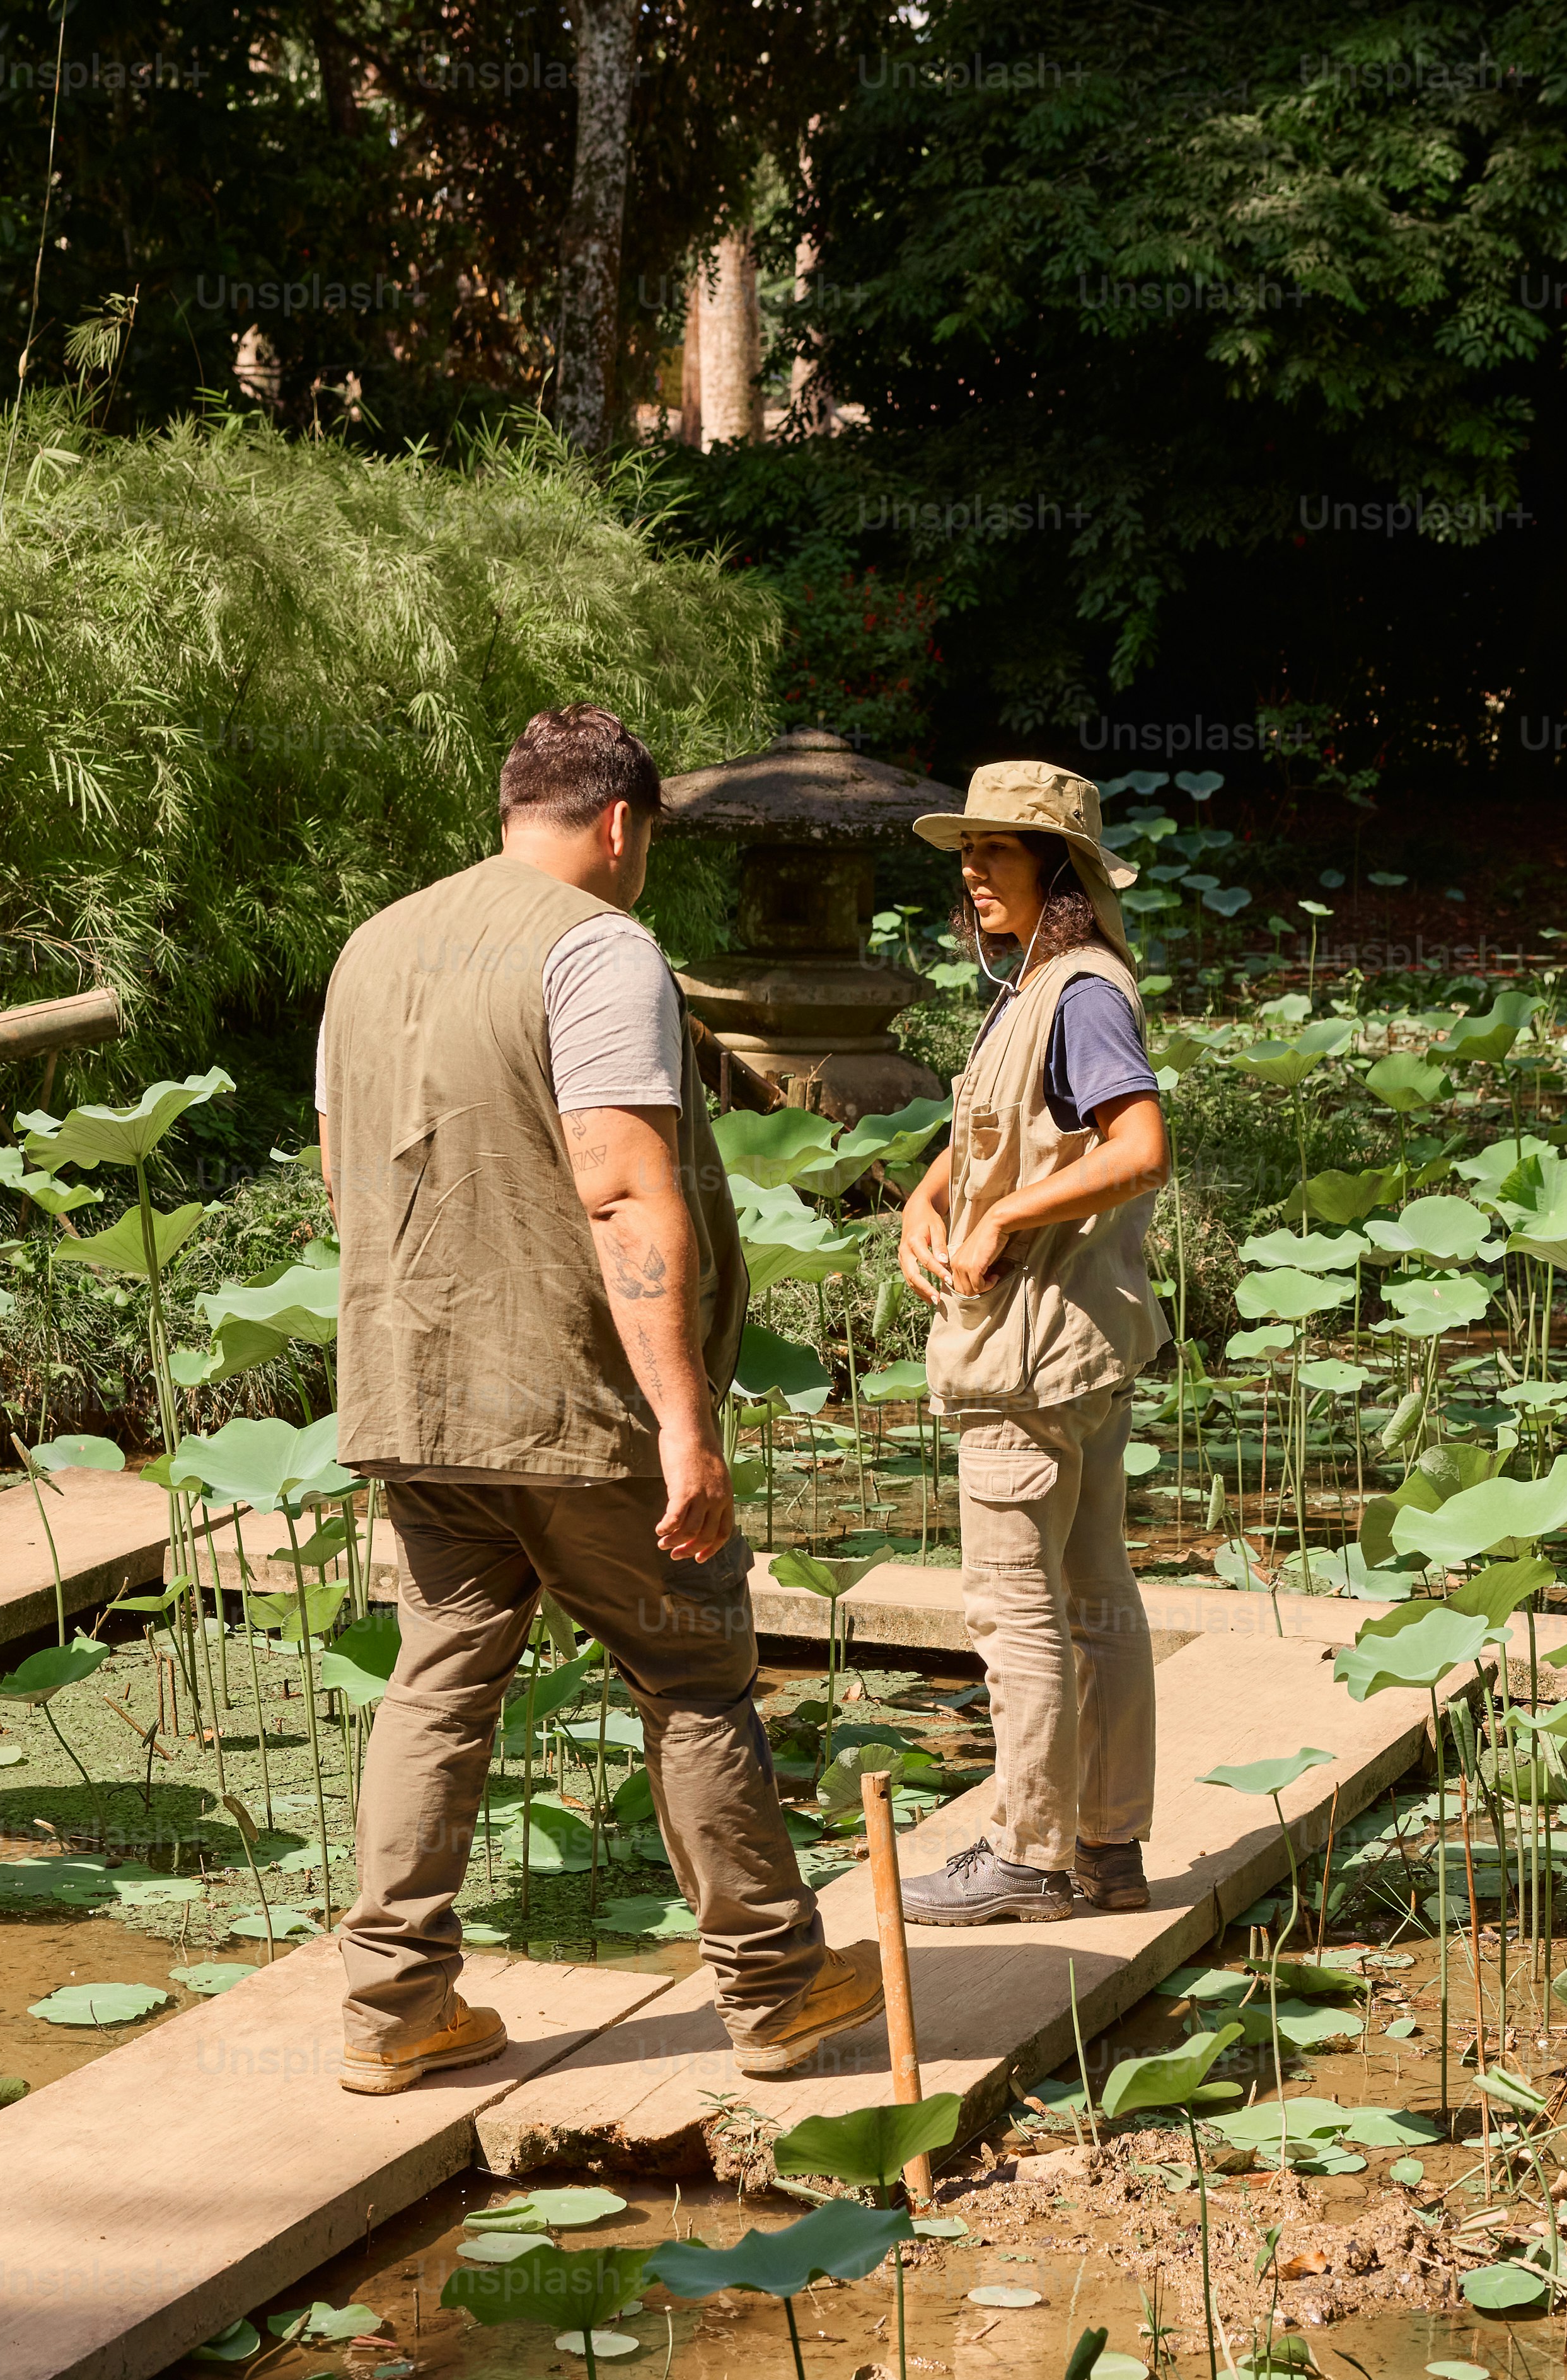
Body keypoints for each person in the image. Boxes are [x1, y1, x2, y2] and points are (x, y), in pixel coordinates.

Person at [311, 703, 884, 2091]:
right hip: (571, 1400)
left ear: (516, 806)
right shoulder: (599, 948)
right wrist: (684, 1420)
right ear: (621, 825)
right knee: (691, 1671)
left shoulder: (373, 941)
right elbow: (623, 1186)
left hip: (410, 1388)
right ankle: (773, 1984)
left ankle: (392, 2005)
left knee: (439, 1674)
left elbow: (341, 1172)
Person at [888, 761, 1172, 1926]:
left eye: (997, 852)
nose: (971, 870)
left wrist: (1000, 1216)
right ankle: (1105, 1851)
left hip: (1032, 1355)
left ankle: (1025, 1855)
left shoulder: (1083, 992)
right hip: (1076, 1352)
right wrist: (936, 1186)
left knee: (1016, 1610)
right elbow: (1014, 1126)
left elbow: (1138, 1145)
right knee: (1095, 1598)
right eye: (968, 852)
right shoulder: (1036, 987)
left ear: (1060, 872)